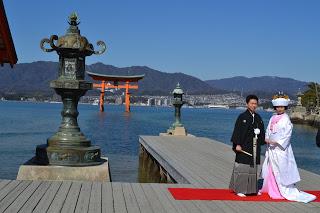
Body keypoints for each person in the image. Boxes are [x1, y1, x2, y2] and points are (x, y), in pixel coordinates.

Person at [260, 93, 316, 203]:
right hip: (271, 147)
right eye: (277, 107)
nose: (279, 109)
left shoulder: (286, 119)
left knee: (281, 168)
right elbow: (268, 130)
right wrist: (266, 138)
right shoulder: (272, 117)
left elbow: (287, 134)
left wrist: (276, 141)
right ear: (275, 107)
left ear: (285, 107)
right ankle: (273, 188)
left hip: (281, 148)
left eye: (281, 107)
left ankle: (282, 189)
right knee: (271, 168)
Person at [229, 95, 265, 197]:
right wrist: (237, 144)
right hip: (243, 146)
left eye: (255, 103)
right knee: (242, 168)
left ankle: (252, 189)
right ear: (247, 104)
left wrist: (263, 138)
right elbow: (237, 131)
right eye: (252, 103)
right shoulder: (242, 117)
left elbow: (262, 132)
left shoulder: (258, 117)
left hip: (254, 145)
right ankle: (240, 189)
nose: (254, 105)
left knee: (253, 169)